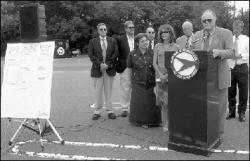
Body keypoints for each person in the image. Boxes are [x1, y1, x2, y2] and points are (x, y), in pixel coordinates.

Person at [192, 9, 234, 137]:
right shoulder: (197, 35)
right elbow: (193, 53)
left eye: (209, 20)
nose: (206, 22)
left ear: (215, 19)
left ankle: (218, 134)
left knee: (219, 108)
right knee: (203, 106)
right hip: (201, 77)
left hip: (219, 77)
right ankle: (204, 130)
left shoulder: (225, 33)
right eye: (204, 20)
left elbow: (231, 52)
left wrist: (219, 52)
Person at [126, 33, 161, 128]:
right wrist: (129, 82)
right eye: (142, 41)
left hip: (151, 82)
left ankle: (155, 121)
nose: (145, 42)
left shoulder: (153, 53)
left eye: (146, 40)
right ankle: (141, 121)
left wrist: (158, 81)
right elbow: (129, 68)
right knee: (141, 103)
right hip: (138, 82)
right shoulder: (132, 54)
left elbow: (157, 67)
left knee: (151, 102)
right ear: (137, 43)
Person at [88, 23, 118, 120]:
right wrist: (100, 64)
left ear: (107, 30)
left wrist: (107, 65)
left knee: (108, 91)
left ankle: (110, 110)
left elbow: (115, 53)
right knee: (98, 91)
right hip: (98, 70)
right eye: (101, 29)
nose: (103, 31)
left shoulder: (112, 41)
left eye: (105, 29)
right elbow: (91, 54)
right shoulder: (92, 41)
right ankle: (97, 111)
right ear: (98, 31)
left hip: (109, 69)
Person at [153, 24, 180, 132]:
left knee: (172, 102)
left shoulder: (176, 47)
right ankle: (165, 124)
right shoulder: (157, 46)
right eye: (162, 32)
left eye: (166, 32)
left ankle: (172, 123)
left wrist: (167, 75)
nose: (163, 34)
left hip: (172, 77)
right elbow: (154, 63)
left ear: (170, 33)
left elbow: (178, 64)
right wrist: (160, 75)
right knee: (163, 103)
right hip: (159, 77)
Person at [227, 19, 249, 122]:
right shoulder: (229, 39)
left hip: (242, 67)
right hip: (231, 68)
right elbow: (226, 53)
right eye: (234, 28)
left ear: (241, 28)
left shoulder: (246, 39)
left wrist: (241, 55)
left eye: (237, 28)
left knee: (243, 92)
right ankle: (231, 112)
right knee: (231, 91)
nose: (235, 30)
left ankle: (242, 113)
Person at [115, 21, 135, 117]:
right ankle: (124, 108)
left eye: (133, 27)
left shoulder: (138, 39)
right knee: (125, 88)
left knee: (137, 87)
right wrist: (117, 64)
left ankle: (135, 107)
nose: (132, 29)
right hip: (125, 67)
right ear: (126, 29)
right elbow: (115, 53)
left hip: (137, 67)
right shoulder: (120, 39)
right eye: (130, 27)